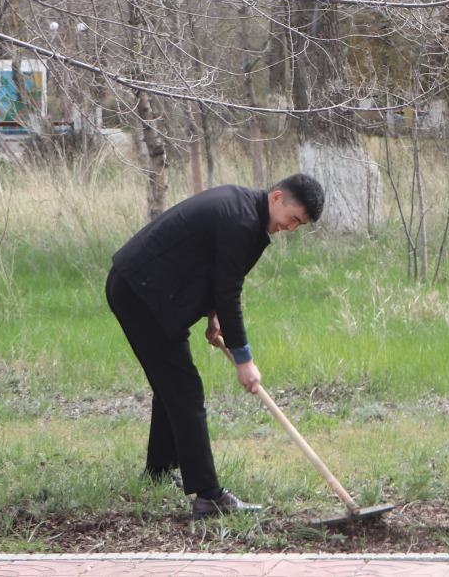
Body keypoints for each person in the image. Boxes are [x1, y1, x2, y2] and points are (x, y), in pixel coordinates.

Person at [106, 173, 324, 519]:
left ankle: (158, 471)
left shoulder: (245, 212)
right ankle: (209, 496)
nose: (291, 228)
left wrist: (212, 315)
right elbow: (228, 290)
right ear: (277, 197)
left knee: (172, 388)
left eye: (300, 225)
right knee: (185, 391)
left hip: (145, 289)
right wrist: (244, 360)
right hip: (141, 293)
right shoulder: (240, 219)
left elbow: (210, 264)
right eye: (293, 218)